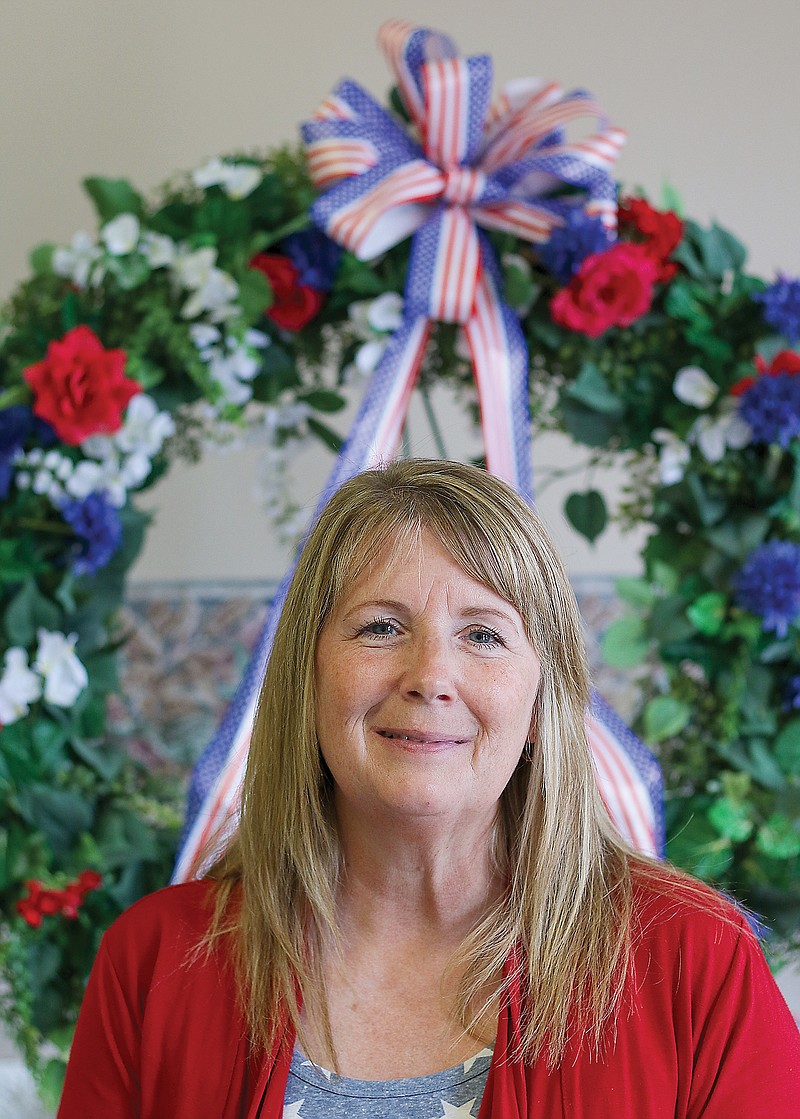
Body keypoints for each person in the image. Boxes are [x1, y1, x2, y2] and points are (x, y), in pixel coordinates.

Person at [58, 459, 800, 1118]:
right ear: (308, 678)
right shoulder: (152, 961)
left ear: (542, 701)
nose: (430, 677)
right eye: (380, 627)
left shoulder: (695, 961)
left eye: (483, 635)